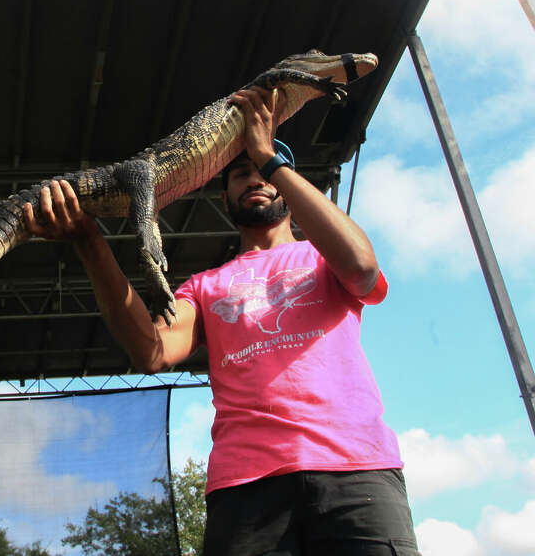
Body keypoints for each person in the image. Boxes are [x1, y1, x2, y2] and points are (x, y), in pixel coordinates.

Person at [23, 85, 417, 555]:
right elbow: (152, 350)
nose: (256, 179)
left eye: (266, 171)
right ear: (223, 197)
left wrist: (269, 155)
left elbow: (362, 267)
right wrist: (91, 242)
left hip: (356, 470)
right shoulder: (207, 285)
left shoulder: (321, 256)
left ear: (289, 185)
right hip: (246, 485)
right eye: (240, 173)